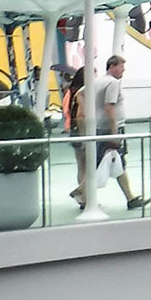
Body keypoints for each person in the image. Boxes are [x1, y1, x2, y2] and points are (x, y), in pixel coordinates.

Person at [88, 55, 148, 210]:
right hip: (111, 129)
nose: (123, 70)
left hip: (100, 127)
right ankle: (83, 195)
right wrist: (115, 132)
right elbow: (109, 107)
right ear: (112, 66)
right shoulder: (113, 83)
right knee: (112, 161)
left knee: (112, 162)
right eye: (121, 66)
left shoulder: (97, 82)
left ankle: (130, 197)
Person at [63, 66, 89, 209]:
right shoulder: (83, 93)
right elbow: (82, 114)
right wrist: (85, 134)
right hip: (82, 130)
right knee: (90, 164)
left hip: (73, 129)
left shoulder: (70, 91)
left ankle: (83, 198)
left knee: (81, 166)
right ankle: (82, 194)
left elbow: (66, 110)